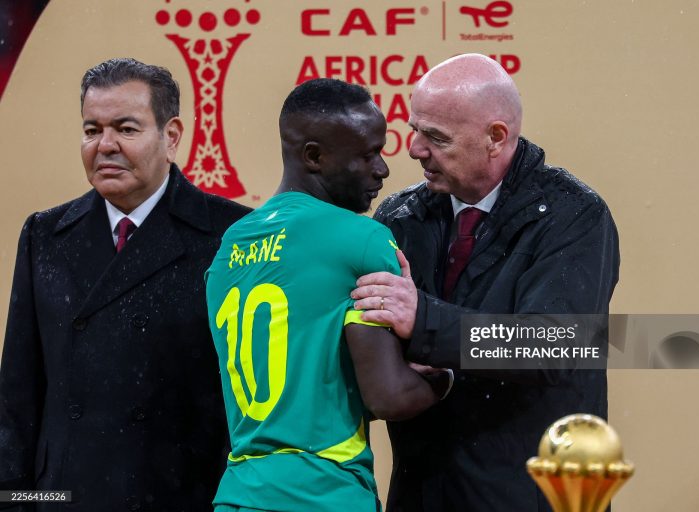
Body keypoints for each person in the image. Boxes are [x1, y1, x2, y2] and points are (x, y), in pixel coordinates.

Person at [351, 53, 620, 511]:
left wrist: (425, 323)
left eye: (436, 137)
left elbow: (550, 346)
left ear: (496, 138)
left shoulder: (575, 216)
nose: (414, 148)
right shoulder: (399, 216)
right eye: (415, 128)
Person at [0, 58, 250, 511]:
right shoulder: (45, 235)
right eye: (92, 130)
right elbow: (18, 396)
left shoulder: (231, 234)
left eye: (126, 129)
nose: (105, 145)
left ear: (171, 136)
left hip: (183, 496)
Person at [204, 78, 450, 512]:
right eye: (367, 154)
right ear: (314, 157)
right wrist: (447, 376)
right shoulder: (363, 240)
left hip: (239, 494)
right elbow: (387, 396)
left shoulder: (228, 247)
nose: (383, 170)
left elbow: (302, 383)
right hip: (325, 494)